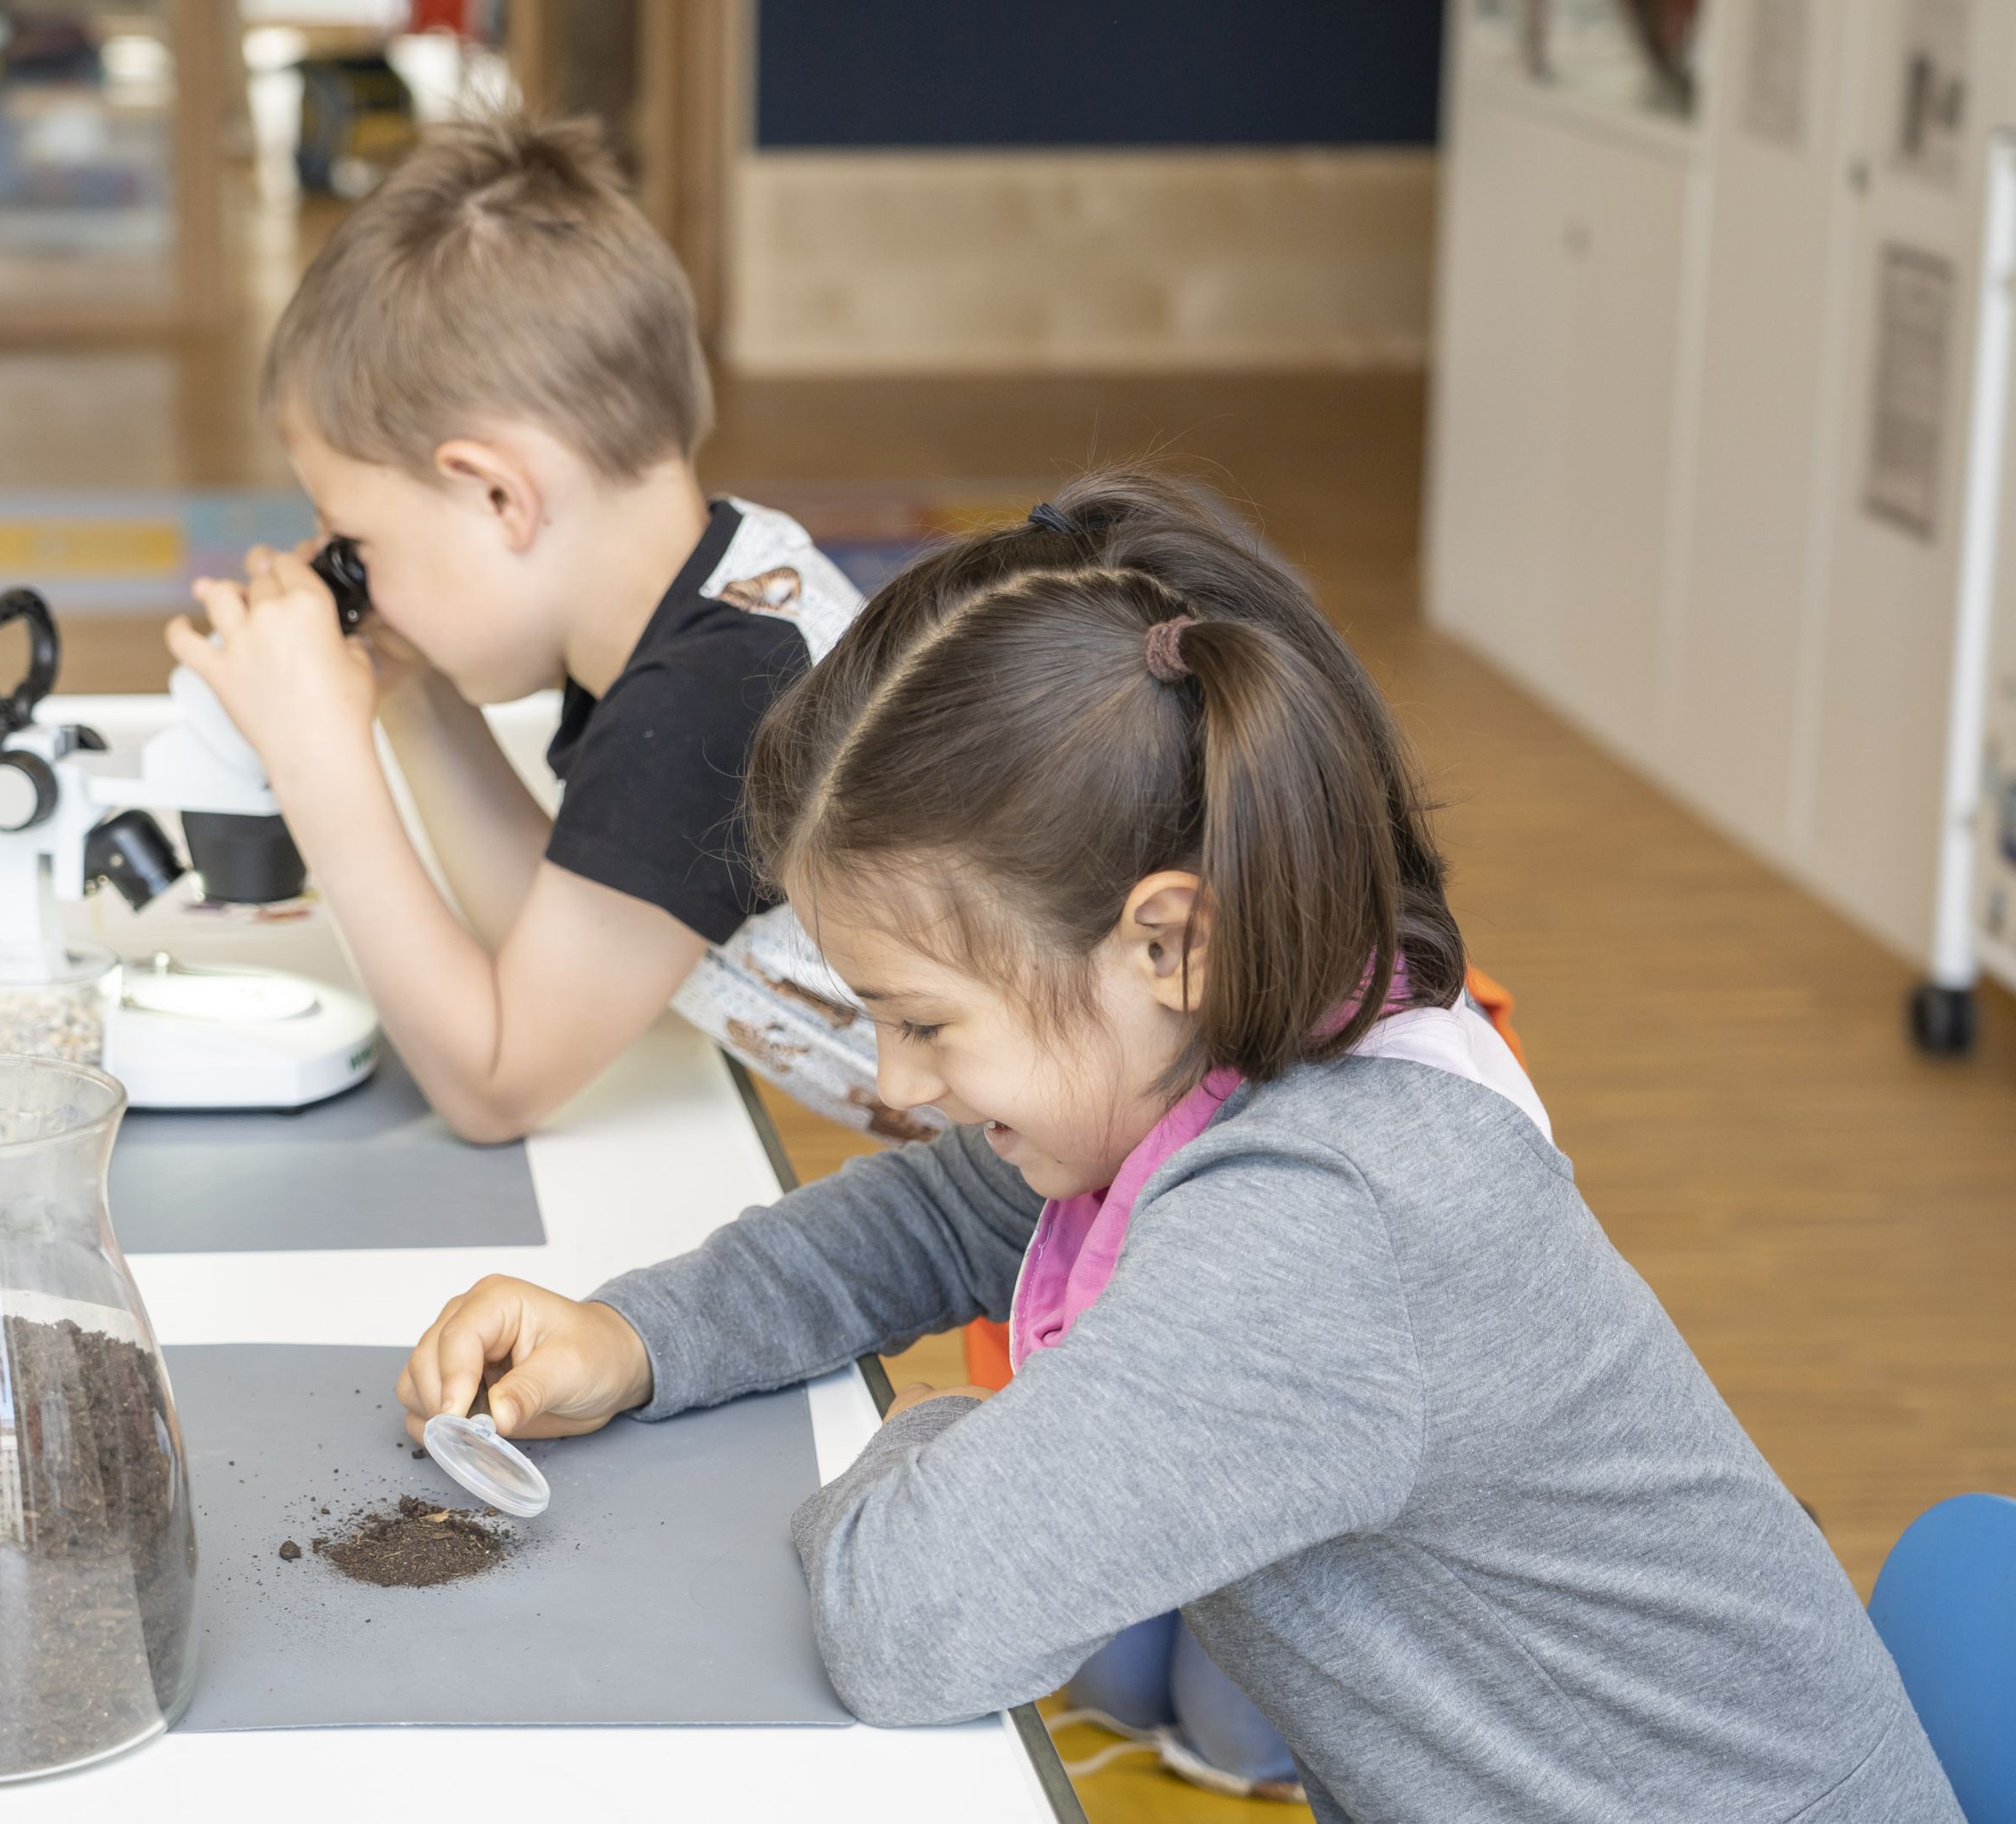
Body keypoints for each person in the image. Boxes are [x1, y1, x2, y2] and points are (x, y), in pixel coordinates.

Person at [389, 471, 1960, 1822]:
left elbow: (921, 1615)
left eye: (929, 1021)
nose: (895, 1078)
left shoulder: (1331, 1221)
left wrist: (988, 1452)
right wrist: (640, 1333)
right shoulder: (1263, 1036)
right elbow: (944, 1217)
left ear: (1168, 941)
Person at [168, 114, 923, 1144]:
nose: (350, 572)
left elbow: (497, 1083)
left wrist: (314, 758)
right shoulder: (720, 597)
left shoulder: (715, 699)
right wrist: (406, 688)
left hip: (1134, 1217)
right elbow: (564, 949)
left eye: (355, 539)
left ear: (494, 498)